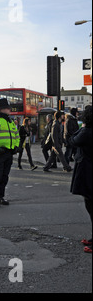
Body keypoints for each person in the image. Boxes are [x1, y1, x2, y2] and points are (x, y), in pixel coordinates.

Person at [68, 105, 92, 253]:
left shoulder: (86, 132)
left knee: (91, 206)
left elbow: (72, 140)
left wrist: (82, 126)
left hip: (88, 171)